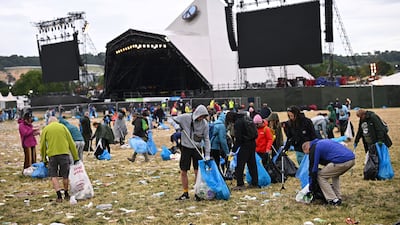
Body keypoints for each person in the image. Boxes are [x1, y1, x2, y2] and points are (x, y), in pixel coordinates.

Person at [173, 104, 211, 200]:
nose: (201, 118)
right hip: (186, 147)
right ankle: (185, 193)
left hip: (197, 149)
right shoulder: (186, 117)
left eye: (203, 116)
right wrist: (178, 127)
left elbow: (206, 139)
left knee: (197, 171)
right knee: (183, 171)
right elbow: (173, 119)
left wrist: (207, 154)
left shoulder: (205, 124)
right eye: (200, 116)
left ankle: (197, 192)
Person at [302, 139, 355, 206]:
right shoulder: (321, 142)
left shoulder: (314, 148)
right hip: (351, 159)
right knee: (335, 174)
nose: (309, 155)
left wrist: (311, 186)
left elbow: (313, 168)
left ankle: (332, 199)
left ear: (307, 148)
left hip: (342, 161)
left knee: (320, 176)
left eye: (308, 153)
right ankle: (337, 196)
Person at [40, 116, 79, 203]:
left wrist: (43, 158)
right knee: (65, 175)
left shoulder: (46, 129)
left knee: (53, 175)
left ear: (49, 122)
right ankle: (66, 193)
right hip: (64, 154)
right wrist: (75, 157)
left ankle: (58, 195)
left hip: (52, 155)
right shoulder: (63, 127)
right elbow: (71, 142)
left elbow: (42, 145)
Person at [225, 111, 258, 191]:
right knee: (252, 164)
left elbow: (238, 138)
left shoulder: (238, 123)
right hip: (252, 143)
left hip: (244, 144)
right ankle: (255, 183)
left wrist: (233, 150)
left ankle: (240, 184)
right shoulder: (246, 118)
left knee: (240, 165)